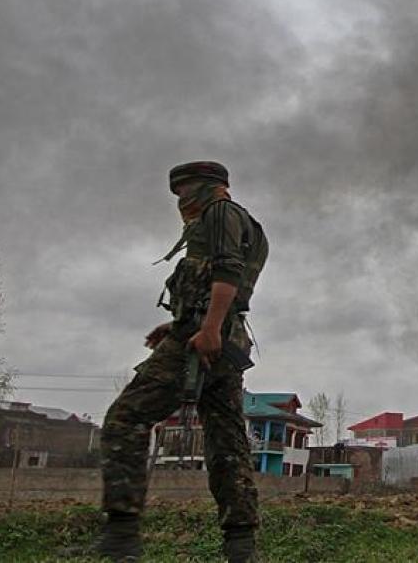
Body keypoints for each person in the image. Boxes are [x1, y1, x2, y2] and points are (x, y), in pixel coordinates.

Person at [97, 161, 268, 562]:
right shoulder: (245, 222)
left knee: (125, 418)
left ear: (207, 188)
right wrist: (177, 326)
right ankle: (241, 547)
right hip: (223, 340)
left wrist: (205, 328)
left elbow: (227, 272)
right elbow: (217, 284)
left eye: (184, 192)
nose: (181, 202)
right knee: (227, 444)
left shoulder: (220, 214)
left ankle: (121, 540)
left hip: (207, 340)